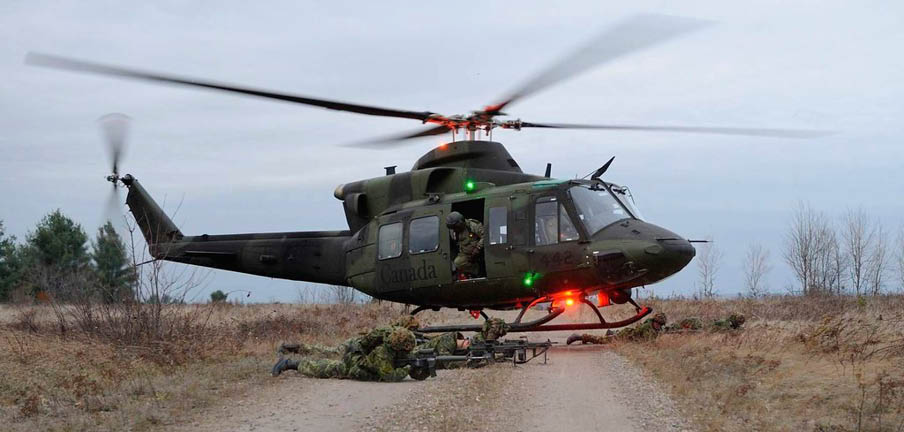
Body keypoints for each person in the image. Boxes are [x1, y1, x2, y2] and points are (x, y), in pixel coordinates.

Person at [272, 326, 416, 381]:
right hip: (354, 358)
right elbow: (390, 376)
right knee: (326, 364)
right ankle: (290, 361)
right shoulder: (383, 352)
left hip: (359, 353)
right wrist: (408, 368)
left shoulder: (390, 337)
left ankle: (293, 353)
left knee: (329, 357)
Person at [566, 313, 667, 345]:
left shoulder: (656, 330)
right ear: (654, 321)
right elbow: (643, 340)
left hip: (626, 338)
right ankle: (580, 337)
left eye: (660, 324)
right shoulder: (646, 327)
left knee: (609, 338)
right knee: (602, 341)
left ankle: (612, 333)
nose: (658, 325)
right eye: (657, 323)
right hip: (625, 337)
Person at [446, 211, 485, 279]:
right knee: (458, 263)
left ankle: (482, 270)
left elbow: (485, 235)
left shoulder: (472, 225)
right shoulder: (454, 231)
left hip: (479, 251)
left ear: (461, 223)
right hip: (465, 253)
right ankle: (478, 272)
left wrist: (478, 248)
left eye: (456, 227)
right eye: (453, 228)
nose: (455, 229)